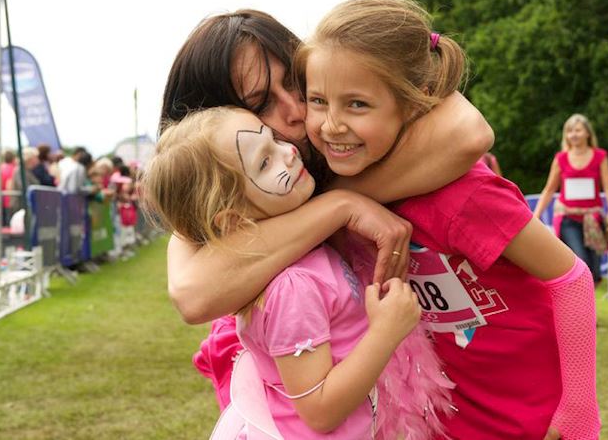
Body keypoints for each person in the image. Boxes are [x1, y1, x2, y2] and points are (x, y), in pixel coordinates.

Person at [294, 0, 600, 440]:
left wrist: (579, 412)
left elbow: (570, 279)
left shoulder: (467, 196)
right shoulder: (351, 192)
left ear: (413, 105)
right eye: (318, 100)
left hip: (530, 417)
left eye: (357, 104)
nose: (331, 124)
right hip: (450, 418)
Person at [143, 107, 453, 439]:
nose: (288, 151)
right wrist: (386, 331)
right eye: (264, 162)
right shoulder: (293, 287)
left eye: (273, 140)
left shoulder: (300, 257)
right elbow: (320, 410)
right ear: (232, 220)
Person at [533, 114, 608, 283]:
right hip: (568, 219)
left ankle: (587, 306)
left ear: (588, 133)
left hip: (592, 219)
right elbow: (549, 189)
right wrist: (535, 216)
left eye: (578, 130)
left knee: (594, 269)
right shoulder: (561, 159)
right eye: (570, 131)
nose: (574, 134)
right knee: (581, 262)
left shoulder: (600, 156)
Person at [8, 147, 41, 215]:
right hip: (20, 207)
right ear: (30, 158)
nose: (37, 160)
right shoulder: (20, 171)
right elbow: (24, 187)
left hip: (25, 206)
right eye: (35, 157)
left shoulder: (27, 171)